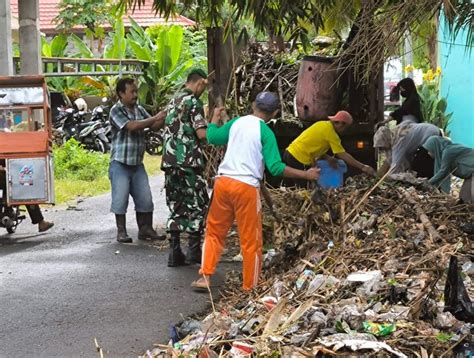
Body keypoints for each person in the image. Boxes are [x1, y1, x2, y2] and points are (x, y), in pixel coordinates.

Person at [192, 92, 320, 291]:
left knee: (214, 232)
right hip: (246, 188)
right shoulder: (266, 133)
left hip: (223, 182)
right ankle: (249, 286)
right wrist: (307, 175)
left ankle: (205, 277)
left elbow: (212, 137)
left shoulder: (236, 122)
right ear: (275, 112)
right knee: (251, 239)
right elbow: (276, 168)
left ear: (253, 105)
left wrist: (214, 118)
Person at [161, 68, 209, 267]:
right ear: (199, 83)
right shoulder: (194, 103)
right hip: (189, 162)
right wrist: (214, 124)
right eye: (203, 87)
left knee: (176, 204)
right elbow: (202, 134)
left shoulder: (173, 102)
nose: (202, 92)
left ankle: (174, 252)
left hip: (170, 162)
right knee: (197, 204)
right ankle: (193, 251)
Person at [108, 78, 165, 243]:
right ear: (121, 94)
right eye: (131, 92)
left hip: (137, 163)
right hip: (120, 163)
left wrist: (163, 118)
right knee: (120, 198)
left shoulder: (139, 109)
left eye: (135, 91)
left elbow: (153, 126)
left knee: (145, 198)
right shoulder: (116, 110)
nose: (135, 95)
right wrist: (156, 117)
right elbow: (132, 126)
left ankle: (146, 229)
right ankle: (121, 231)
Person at [283, 110, 376, 187]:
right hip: (298, 158)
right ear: (341, 124)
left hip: (289, 153)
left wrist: (328, 158)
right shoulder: (331, 133)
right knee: (305, 189)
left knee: (293, 187)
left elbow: (313, 146)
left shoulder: (322, 124)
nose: (344, 131)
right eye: (346, 127)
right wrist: (363, 167)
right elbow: (342, 154)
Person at [0, 160, 53, 232]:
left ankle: (41, 222)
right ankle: (41, 223)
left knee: (25, 190)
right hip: (9, 173)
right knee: (26, 192)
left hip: (9, 173)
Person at [374, 122, 442, 176]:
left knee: (420, 166)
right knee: (417, 165)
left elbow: (395, 165)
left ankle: (431, 184)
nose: (382, 150)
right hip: (432, 130)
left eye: (382, 147)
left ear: (385, 140)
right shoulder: (394, 135)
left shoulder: (399, 142)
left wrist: (386, 179)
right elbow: (391, 159)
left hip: (431, 135)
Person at [422, 136, 474, 203]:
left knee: (471, 198)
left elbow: (443, 172)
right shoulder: (449, 149)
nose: (428, 153)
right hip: (470, 176)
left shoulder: (448, 152)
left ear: (436, 147)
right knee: (464, 199)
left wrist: (428, 183)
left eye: (430, 150)